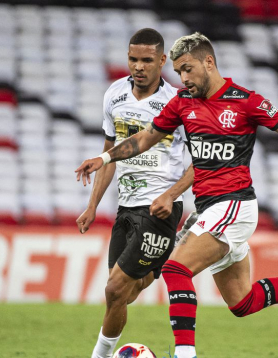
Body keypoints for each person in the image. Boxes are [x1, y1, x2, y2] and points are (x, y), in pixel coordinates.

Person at [76, 32, 278, 358]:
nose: (183, 78)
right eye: (179, 71)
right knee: (243, 302)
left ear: (208, 62)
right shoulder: (183, 103)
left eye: (188, 69)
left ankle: (185, 354)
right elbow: (144, 139)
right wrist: (104, 158)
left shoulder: (245, 100)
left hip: (235, 204)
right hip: (208, 210)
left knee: (175, 270)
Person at [76, 28, 194, 358]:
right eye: (132, 59)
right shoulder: (114, 95)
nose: (138, 66)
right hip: (126, 208)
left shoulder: (179, 104)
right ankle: (151, 270)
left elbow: (201, 163)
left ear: (162, 60)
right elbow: (110, 154)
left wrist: (171, 195)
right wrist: (92, 206)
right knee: (124, 295)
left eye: (145, 60)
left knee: (114, 287)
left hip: (159, 209)